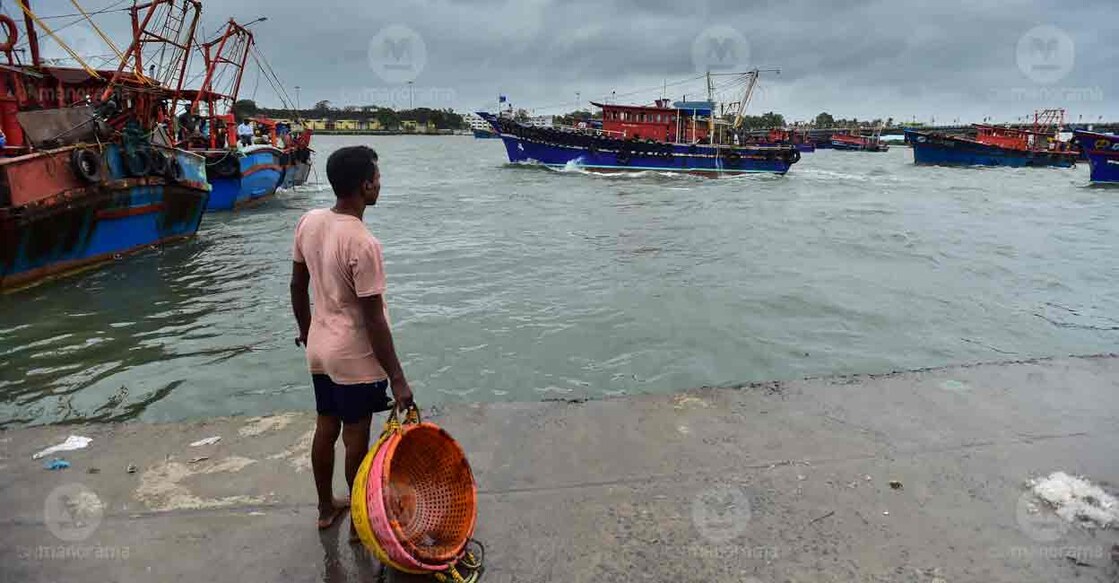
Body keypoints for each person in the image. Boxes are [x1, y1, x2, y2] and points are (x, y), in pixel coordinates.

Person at [290, 145, 413, 537]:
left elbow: (297, 285)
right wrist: (397, 378)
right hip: (354, 356)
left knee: (325, 427)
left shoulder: (309, 221)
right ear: (364, 186)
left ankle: (327, 509)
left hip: (319, 349)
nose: (380, 183)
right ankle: (361, 519)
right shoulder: (363, 242)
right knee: (355, 437)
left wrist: (306, 328)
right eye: (376, 177)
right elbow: (374, 319)